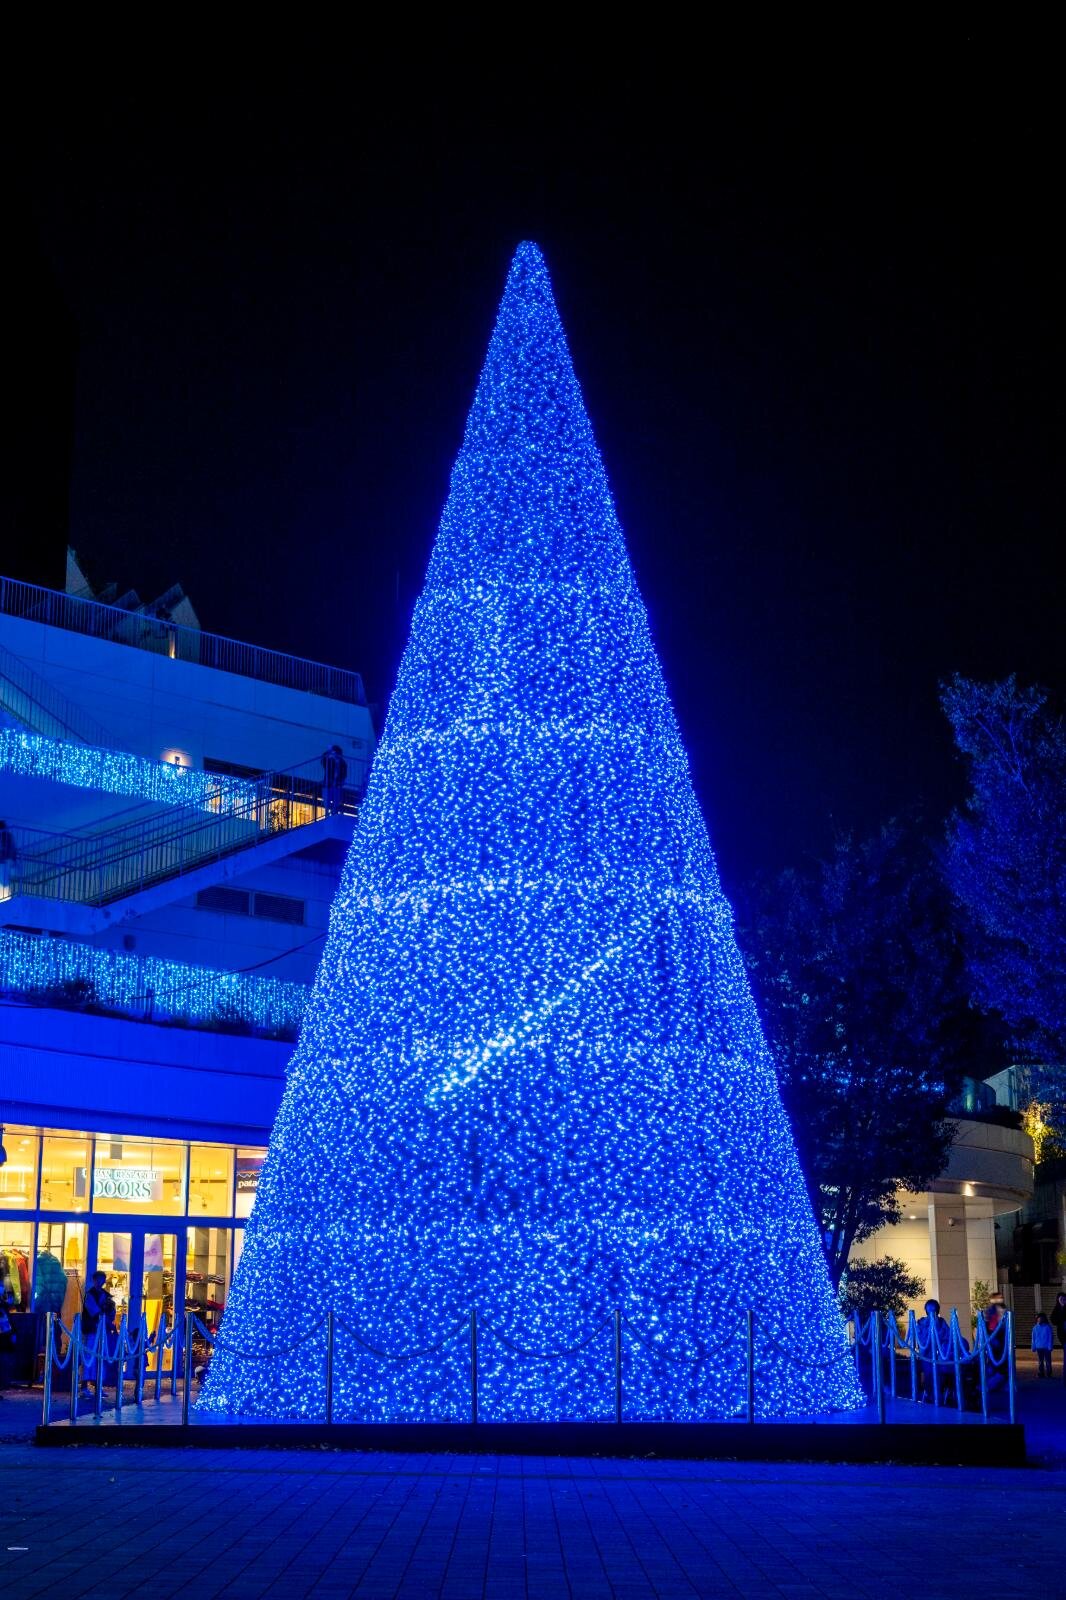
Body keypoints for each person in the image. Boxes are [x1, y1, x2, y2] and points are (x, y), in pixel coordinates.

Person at [915, 1299, 951, 1403]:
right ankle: (928, 1394)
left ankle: (940, 1394)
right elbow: (921, 1341)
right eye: (929, 1310)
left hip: (940, 1356)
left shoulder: (941, 1322)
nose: (931, 1313)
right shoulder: (921, 1323)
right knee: (928, 1374)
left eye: (934, 1310)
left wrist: (937, 1327)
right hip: (927, 1355)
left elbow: (947, 1337)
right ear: (926, 1310)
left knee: (941, 1374)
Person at [321, 744, 348, 815]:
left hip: (337, 784)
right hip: (328, 783)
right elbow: (323, 760)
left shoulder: (342, 763)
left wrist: (341, 781)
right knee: (327, 800)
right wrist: (329, 751)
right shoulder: (330, 761)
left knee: (336, 800)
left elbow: (344, 773)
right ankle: (327, 813)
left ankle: (334, 813)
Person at [1032, 1312, 1054, 1378]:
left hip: (1046, 1347)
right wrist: (1033, 1346)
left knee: (1048, 1361)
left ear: (1044, 1319)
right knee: (1040, 1361)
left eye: (1041, 1319)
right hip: (1039, 1347)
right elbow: (1033, 1338)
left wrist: (1050, 1346)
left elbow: (1050, 1337)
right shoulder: (1035, 1328)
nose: (1039, 1320)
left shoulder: (1048, 1327)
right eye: (1038, 1319)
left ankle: (1049, 1373)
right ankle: (1041, 1373)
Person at [1050, 1292, 1066, 1382]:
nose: (1063, 1301)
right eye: (1061, 1299)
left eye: (1064, 1299)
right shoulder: (1057, 1309)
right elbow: (1054, 1320)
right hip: (1063, 1337)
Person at [0, 820, 17, 900]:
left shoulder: (6, 836)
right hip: (5, 861)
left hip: (4, 861)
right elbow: (13, 849)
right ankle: (6, 897)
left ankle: (5, 897)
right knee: (4, 881)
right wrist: (13, 860)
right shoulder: (8, 836)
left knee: (4, 881)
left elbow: (11, 848)